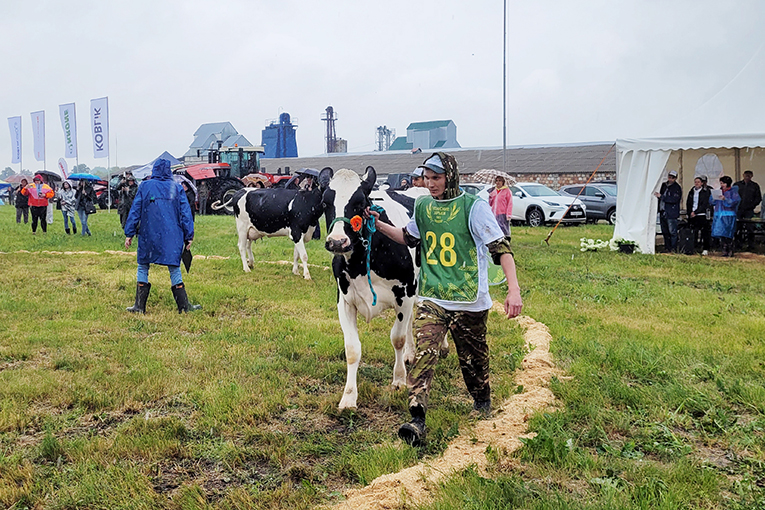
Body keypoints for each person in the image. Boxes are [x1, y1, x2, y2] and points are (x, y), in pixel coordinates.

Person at [368, 152, 523, 446]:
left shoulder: (473, 207)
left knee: (473, 361)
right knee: (424, 354)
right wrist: (379, 224)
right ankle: (417, 419)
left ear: (450, 176)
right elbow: (409, 237)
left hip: (469, 299)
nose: (430, 184)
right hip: (433, 297)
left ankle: (482, 401)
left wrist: (513, 290)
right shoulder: (424, 206)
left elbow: (501, 249)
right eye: (427, 178)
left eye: (436, 178)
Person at [124, 158, 200, 314]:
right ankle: (184, 306)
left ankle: (139, 306)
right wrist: (189, 236)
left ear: (154, 170)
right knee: (174, 268)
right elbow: (186, 214)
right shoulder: (177, 188)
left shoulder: (145, 186)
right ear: (169, 171)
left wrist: (129, 233)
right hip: (172, 236)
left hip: (148, 234)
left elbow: (135, 210)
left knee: (143, 266)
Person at [711, 175, 741, 257]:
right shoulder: (719, 191)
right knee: (721, 233)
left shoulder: (733, 192)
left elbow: (735, 202)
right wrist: (714, 197)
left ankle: (730, 249)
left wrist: (726, 199)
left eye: (723, 183)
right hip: (719, 214)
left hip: (729, 215)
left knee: (728, 233)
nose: (722, 185)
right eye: (721, 183)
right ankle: (724, 250)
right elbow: (711, 202)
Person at [654, 170, 682, 253]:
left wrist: (662, 197)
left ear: (675, 178)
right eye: (669, 177)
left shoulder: (677, 188)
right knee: (665, 231)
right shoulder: (663, 185)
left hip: (671, 213)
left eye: (672, 178)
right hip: (663, 211)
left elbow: (675, 199)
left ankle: (673, 248)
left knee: (672, 232)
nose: (670, 179)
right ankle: (667, 247)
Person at [734, 170, 761, 251]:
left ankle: (750, 245)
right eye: (746, 175)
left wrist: (752, 205)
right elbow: (732, 195)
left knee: (750, 227)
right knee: (738, 227)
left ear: (752, 176)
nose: (747, 177)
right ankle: (738, 244)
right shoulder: (737, 185)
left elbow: (758, 198)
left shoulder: (755, 186)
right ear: (743, 175)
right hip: (739, 210)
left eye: (749, 176)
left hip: (749, 210)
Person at [686, 176, 711, 255]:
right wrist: (690, 212)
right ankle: (692, 248)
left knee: (704, 232)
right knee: (693, 232)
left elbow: (704, 204)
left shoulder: (705, 192)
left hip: (701, 214)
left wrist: (696, 212)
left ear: (702, 183)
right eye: (695, 182)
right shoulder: (691, 191)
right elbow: (688, 203)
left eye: (698, 182)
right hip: (692, 215)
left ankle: (705, 248)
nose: (697, 183)